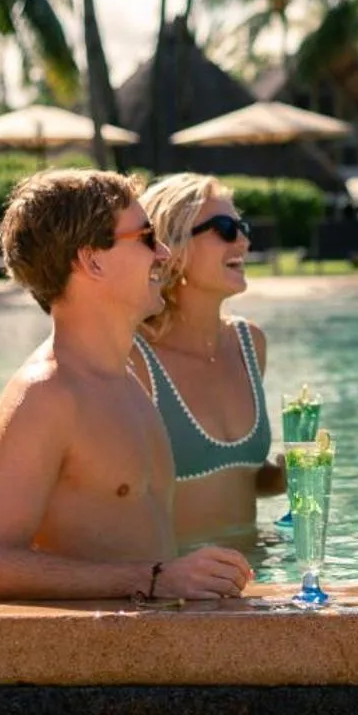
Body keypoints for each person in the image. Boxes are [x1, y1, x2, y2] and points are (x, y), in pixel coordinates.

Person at [0, 169, 253, 602]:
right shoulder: (46, 395)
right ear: (91, 261)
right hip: (98, 661)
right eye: (146, 237)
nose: (163, 253)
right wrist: (155, 579)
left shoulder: (126, 380)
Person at [133, 173, 286, 546]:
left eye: (242, 227)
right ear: (174, 246)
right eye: (225, 228)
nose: (244, 241)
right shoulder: (136, 359)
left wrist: (285, 476)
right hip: (181, 590)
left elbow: (234, 477)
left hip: (255, 579)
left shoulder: (249, 344)